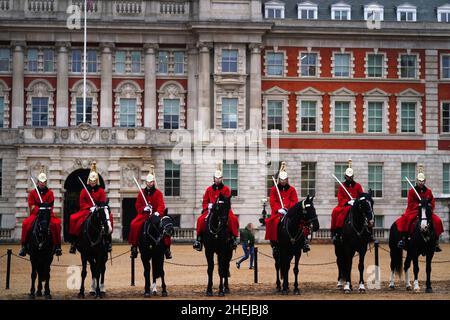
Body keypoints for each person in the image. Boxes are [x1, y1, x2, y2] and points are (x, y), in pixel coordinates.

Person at [395, 165, 444, 252]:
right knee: (405, 219)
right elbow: (410, 203)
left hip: (426, 211)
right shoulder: (411, 191)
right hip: (414, 210)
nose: (421, 183)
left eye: (422, 181)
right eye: (419, 181)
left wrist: (428, 206)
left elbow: (432, 202)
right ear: (417, 181)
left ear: (425, 181)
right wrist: (419, 206)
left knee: (437, 220)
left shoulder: (428, 191)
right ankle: (403, 239)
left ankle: (436, 241)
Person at [265, 162, 310, 254]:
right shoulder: (274, 190)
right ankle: (274, 243)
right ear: (279, 180)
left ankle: (304, 241)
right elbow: (273, 201)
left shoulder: (292, 189)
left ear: (287, 179)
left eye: (285, 180)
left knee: (301, 221)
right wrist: (279, 209)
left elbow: (294, 200)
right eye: (281, 180)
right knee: (273, 222)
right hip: (278, 212)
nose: (283, 181)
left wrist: (289, 209)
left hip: (290, 212)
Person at [68, 161, 113, 254]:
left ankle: (108, 241)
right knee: (73, 218)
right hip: (86, 211)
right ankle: (74, 242)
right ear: (89, 181)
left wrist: (97, 207)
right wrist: (89, 207)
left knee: (109, 219)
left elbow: (103, 201)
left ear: (97, 181)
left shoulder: (101, 191)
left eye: (94, 181)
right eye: (91, 181)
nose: (92, 182)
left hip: (99, 210)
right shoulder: (84, 191)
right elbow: (82, 203)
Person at [193, 164, 240, 251]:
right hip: (211, 210)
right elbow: (205, 201)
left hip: (224, 210)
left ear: (222, 179)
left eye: (219, 178)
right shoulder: (209, 189)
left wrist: (221, 204)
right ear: (214, 178)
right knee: (200, 220)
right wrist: (208, 206)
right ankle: (198, 240)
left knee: (233, 219)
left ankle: (233, 238)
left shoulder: (226, 189)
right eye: (216, 178)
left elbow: (227, 201)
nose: (217, 180)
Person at [128, 167, 172, 259]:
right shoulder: (141, 193)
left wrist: (158, 213)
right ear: (146, 182)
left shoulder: (158, 193)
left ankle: (167, 248)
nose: (150, 183)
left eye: (151, 182)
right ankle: (134, 246)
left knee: (165, 226)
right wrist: (144, 208)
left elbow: (161, 205)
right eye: (148, 182)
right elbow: (137, 205)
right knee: (134, 224)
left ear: (153, 182)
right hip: (144, 215)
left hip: (156, 215)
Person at [19, 168, 62, 257]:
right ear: (38, 182)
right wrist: (39, 209)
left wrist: (46, 209)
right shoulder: (32, 193)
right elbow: (31, 205)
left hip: (47, 214)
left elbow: (51, 205)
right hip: (36, 214)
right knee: (25, 223)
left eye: (44, 182)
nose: (42, 183)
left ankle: (58, 246)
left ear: (46, 182)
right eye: (40, 182)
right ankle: (24, 245)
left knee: (57, 224)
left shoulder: (50, 193)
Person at [330, 159, 371, 244]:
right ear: (345, 176)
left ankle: (368, 231)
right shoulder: (342, 187)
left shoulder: (358, 186)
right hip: (345, 205)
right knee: (335, 211)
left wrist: (356, 201)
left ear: (353, 176)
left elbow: (361, 196)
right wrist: (348, 202)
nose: (349, 178)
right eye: (348, 177)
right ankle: (336, 232)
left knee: (366, 211)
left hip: (357, 205)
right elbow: (340, 198)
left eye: (351, 176)